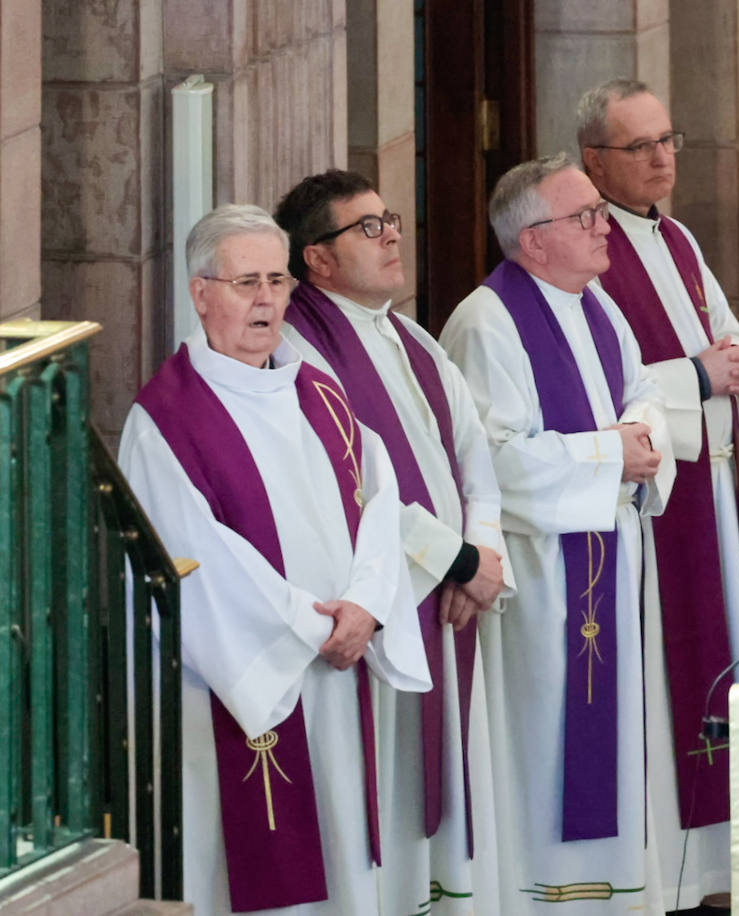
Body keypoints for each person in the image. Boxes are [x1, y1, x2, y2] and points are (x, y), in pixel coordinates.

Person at [118, 204, 431, 915]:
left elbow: (380, 502)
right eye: (246, 283)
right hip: (249, 682)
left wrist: (367, 606)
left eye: (279, 281)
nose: (267, 300)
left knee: (341, 864)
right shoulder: (166, 418)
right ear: (201, 294)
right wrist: (315, 627)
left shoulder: (318, 391)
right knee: (254, 871)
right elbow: (194, 556)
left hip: (339, 666)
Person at [439, 153, 675, 916]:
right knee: (542, 742)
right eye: (585, 217)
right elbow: (491, 460)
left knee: (608, 733)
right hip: (542, 582)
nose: (605, 227)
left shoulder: (597, 303)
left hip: (608, 557)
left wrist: (638, 441)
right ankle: (542, 898)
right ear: (532, 240)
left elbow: (641, 396)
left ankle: (610, 897)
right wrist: (614, 453)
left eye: (599, 212)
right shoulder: (487, 320)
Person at [274, 170, 512, 914]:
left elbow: (475, 456)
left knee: (446, 766)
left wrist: (480, 549)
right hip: (392, 601)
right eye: (368, 228)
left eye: (391, 220)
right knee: (393, 778)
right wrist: (460, 562)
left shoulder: (409, 335)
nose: (392, 236)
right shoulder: (297, 349)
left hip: (449, 594)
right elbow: (358, 485)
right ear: (317, 257)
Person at [577, 78, 739, 906]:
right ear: (594, 161)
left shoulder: (678, 238)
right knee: (668, 675)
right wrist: (700, 373)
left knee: (716, 663)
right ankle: (671, 870)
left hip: (709, 493)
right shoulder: (588, 251)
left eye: (668, 140)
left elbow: (719, 336)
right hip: (655, 507)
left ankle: (721, 858)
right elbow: (597, 385)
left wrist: (738, 365)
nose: (662, 159)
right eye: (640, 146)